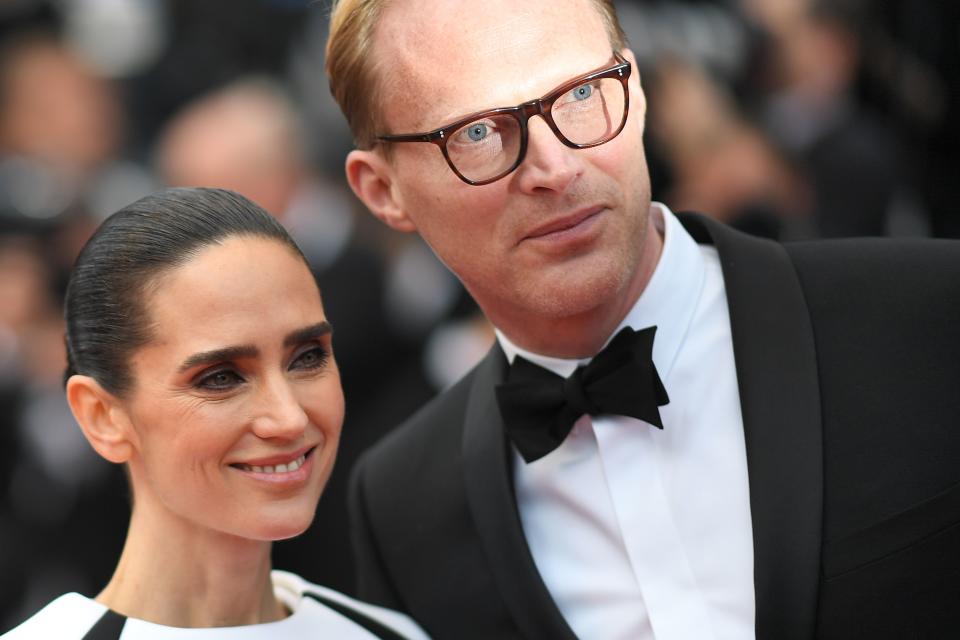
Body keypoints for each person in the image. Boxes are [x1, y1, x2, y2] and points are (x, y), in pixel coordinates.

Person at [323, 0, 960, 638]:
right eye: (478, 133)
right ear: (383, 191)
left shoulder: (929, 317)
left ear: (637, 89)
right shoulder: (401, 507)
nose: (556, 167)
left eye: (580, 94)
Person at [1, 187, 428, 639]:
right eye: (220, 378)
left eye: (307, 357)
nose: (289, 418)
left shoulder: (389, 634)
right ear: (103, 417)